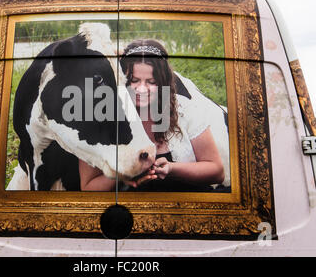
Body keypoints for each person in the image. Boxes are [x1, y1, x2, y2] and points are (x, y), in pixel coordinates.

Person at [79, 39, 224, 192]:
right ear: (121, 80)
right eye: (134, 80)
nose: (141, 89)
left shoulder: (185, 109)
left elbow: (217, 171)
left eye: (151, 81)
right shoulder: (102, 116)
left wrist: (172, 169)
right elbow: (88, 187)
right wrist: (124, 173)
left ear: (163, 82)